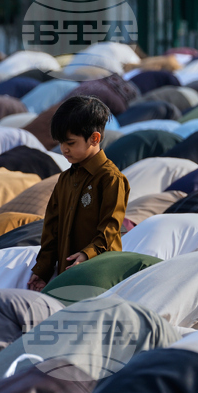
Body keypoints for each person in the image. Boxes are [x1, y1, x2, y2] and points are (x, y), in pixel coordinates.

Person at [27, 96, 129, 292]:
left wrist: (87, 255)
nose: (64, 149)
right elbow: (51, 230)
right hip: (67, 275)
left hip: (100, 274)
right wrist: (43, 270)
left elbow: (110, 229)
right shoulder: (65, 179)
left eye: (71, 143)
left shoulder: (111, 179)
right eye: (61, 143)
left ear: (95, 138)